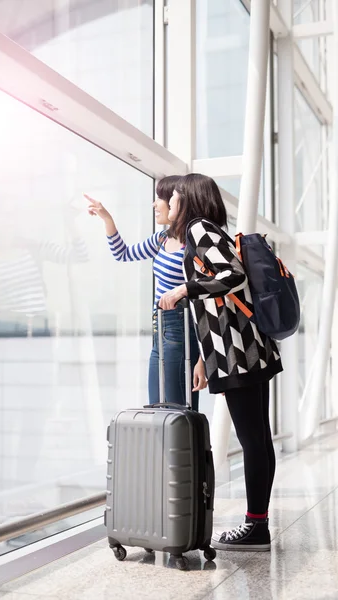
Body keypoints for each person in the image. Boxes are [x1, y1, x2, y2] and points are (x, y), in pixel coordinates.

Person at [159, 173, 283, 552]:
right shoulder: (208, 229)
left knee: (252, 441)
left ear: (189, 200)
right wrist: (201, 359)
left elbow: (233, 275)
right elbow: (217, 303)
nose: (169, 202)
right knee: (258, 439)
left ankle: (255, 526)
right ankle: (257, 522)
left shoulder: (199, 229)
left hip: (237, 355)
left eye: (175, 196)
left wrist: (184, 288)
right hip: (245, 348)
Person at [85, 176, 207, 412]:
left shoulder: (193, 245)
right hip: (158, 330)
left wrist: (203, 359)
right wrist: (107, 218)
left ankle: (192, 450)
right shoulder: (163, 238)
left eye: (162, 198)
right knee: (158, 408)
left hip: (181, 331)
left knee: (178, 411)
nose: (155, 204)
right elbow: (122, 253)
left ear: (178, 202)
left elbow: (206, 302)